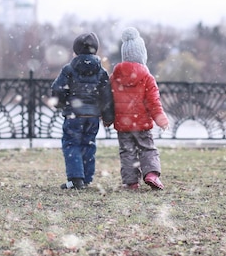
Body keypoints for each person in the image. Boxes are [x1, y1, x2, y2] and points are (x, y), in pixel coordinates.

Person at [51, 32, 115, 190]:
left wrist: (60, 103)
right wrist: (108, 117)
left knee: (72, 144)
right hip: (92, 116)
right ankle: (86, 178)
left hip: (74, 115)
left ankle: (75, 178)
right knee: (89, 145)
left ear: (76, 51)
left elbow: (58, 89)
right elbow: (106, 96)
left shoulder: (69, 69)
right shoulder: (101, 72)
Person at [109, 27, 169, 190]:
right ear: (142, 56)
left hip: (123, 125)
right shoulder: (147, 77)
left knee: (127, 153)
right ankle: (151, 174)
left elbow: (108, 100)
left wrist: (107, 118)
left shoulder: (114, 77)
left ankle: (131, 182)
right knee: (147, 149)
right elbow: (153, 101)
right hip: (142, 124)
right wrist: (161, 119)